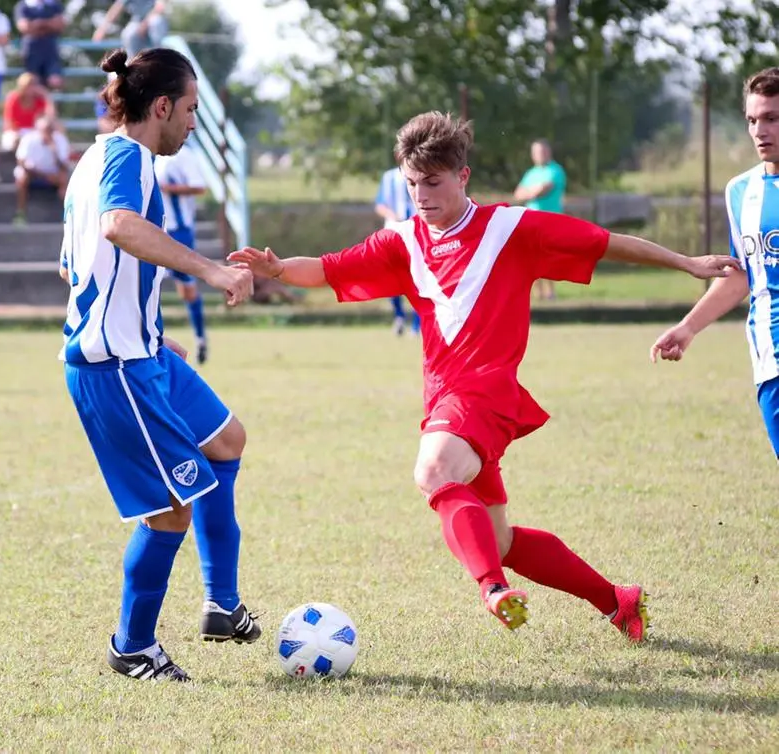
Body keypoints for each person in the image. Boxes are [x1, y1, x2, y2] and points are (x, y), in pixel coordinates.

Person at [230, 111, 740, 641]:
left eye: (433, 182)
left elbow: (604, 242)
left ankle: (493, 590)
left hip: (488, 392)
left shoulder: (510, 228)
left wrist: (685, 263)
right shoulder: (402, 243)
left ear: (462, 176)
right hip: (446, 400)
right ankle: (617, 600)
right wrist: (279, 269)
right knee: (498, 539)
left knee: (433, 471)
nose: (421, 196)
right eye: (411, 184)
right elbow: (331, 267)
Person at [59, 46, 258, 682]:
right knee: (172, 505)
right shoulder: (128, 158)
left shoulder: (92, 157)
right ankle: (132, 645)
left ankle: (222, 606)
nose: (195, 122)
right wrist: (211, 268)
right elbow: (118, 228)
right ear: (162, 106)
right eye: (191, 109)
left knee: (227, 440)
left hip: (138, 348)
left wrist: (146, 328)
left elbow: (76, 265)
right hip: (113, 365)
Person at [651, 67, 779, 461]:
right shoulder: (740, 191)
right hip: (770, 358)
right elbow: (742, 276)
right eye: (752, 120)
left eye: (772, 118)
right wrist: (688, 327)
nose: (760, 130)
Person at [154, 140, 210, 363]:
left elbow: (200, 186)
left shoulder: (183, 155)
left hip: (179, 231)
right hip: (154, 231)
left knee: (187, 291)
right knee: (149, 287)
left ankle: (200, 339)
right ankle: (150, 344)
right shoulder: (151, 155)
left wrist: (168, 189)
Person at [514, 139, 568, 302]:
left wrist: (530, 192)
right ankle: (538, 293)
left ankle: (551, 292)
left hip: (550, 220)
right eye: (536, 152)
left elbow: (543, 189)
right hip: (531, 221)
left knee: (547, 257)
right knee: (531, 258)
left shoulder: (555, 170)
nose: (540, 155)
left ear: (548, 152)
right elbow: (518, 193)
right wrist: (532, 191)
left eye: (542, 151)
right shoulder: (531, 173)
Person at [375, 166, 420, 336]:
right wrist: (393, 217)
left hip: (417, 233)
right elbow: (380, 205)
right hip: (394, 234)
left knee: (418, 279)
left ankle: (417, 324)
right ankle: (399, 316)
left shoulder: (422, 172)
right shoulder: (389, 177)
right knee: (391, 278)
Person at [13, 116, 71, 225]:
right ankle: (21, 214)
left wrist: (54, 151)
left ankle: (67, 216)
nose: (46, 133)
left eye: (49, 129)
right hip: (32, 173)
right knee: (21, 179)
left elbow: (64, 166)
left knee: (64, 178)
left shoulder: (60, 140)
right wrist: (41, 174)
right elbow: (21, 161)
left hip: (53, 175)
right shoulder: (28, 139)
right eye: (44, 130)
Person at [14, 0, 66, 91]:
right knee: (32, 85)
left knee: (55, 82)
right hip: (31, 53)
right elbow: (24, 27)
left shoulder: (53, 4)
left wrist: (37, 24)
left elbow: (60, 24)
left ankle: (51, 105)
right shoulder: (23, 6)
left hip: (51, 53)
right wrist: (49, 25)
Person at [92, 1, 169, 59]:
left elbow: (160, 6)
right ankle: (133, 64)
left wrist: (145, 23)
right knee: (128, 33)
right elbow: (117, 8)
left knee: (156, 22)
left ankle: (160, 58)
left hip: (153, 18)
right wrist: (102, 29)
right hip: (137, 21)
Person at [2, 73, 55, 152]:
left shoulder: (39, 100)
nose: (31, 88)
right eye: (29, 85)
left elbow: (51, 118)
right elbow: (8, 123)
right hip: (16, 132)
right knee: (12, 140)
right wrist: (20, 135)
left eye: (33, 85)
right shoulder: (13, 98)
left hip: (34, 132)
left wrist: (46, 96)